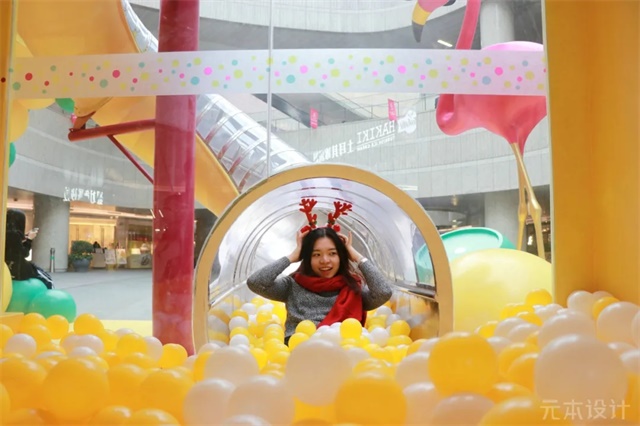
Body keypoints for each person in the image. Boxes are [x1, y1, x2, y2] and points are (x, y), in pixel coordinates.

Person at [247, 198, 393, 344]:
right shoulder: (292, 285)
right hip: (300, 349)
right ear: (307, 257)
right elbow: (255, 282)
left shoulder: (353, 288)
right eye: (316, 254)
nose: (325, 260)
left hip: (341, 349)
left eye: (332, 253)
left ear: (341, 256)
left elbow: (384, 292)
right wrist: (291, 257)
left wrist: (357, 257)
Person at [4, 209, 54, 289]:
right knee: (47, 279)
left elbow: (13, 249)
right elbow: (24, 253)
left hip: (6, 268)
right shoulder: (14, 235)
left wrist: (23, 239)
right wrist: (30, 240)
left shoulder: (4, 232)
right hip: (19, 271)